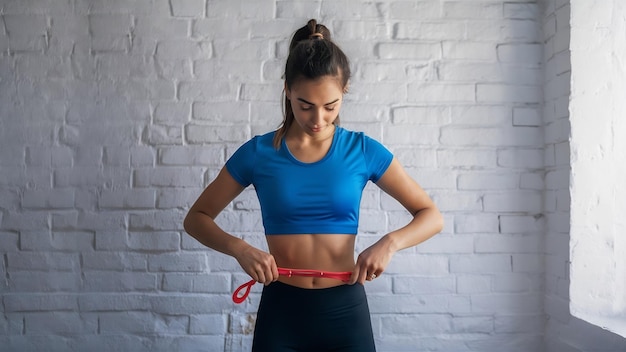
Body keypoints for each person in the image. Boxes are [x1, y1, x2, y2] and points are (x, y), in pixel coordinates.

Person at [184, 19, 443, 352]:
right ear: (287, 90)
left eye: (330, 107)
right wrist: (240, 249)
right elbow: (196, 218)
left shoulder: (362, 150)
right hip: (282, 313)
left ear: (343, 93)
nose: (318, 119)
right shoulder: (259, 153)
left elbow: (431, 215)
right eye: (305, 105)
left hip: (345, 310)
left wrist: (390, 243)